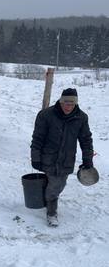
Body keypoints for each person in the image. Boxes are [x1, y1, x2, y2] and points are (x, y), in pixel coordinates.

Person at [30, 88, 94, 226]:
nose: (68, 107)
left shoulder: (81, 118)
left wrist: (87, 158)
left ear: (75, 104)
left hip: (66, 160)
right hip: (48, 157)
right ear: (60, 101)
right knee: (54, 185)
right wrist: (35, 157)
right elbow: (37, 138)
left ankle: (47, 199)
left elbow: (86, 139)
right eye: (65, 103)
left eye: (71, 104)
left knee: (59, 184)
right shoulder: (46, 115)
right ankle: (51, 212)